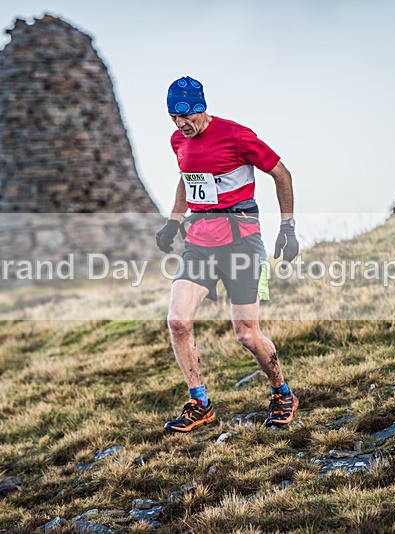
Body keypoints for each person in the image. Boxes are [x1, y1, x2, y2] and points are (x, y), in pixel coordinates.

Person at [155, 75, 300, 433]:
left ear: (201, 108)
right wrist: (174, 221)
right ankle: (200, 404)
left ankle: (282, 393)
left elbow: (281, 174)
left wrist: (287, 227)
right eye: (174, 117)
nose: (180, 124)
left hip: (241, 242)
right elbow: (186, 176)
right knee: (178, 322)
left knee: (247, 334)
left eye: (186, 116)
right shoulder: (178, 140)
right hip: (199, 244)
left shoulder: (237, 136)